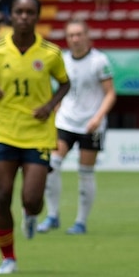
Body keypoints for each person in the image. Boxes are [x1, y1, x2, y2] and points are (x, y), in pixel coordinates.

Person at [0, 0, 70, 275]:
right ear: (11, 15)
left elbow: (65, 83)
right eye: (19, 12)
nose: (24, 17)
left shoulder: (51, 53)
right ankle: (8, 258)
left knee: (32, 200)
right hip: (5, 130)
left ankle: (31, 215)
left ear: (37, 16)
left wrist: (50, 105)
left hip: (38, 132)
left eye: (29, 12)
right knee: (2, 195)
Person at [37, 20, 116, 235]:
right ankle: (52, 215)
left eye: (79, 34)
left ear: (88, 36)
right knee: (51, 165)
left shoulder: (99, 61)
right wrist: (54, 112)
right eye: (71, 35)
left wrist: (98, 117)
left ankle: (81, 221)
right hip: (66, 121)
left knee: (85, 172)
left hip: (91, 124)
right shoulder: (62, 60)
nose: (75, 39)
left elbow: (110, 93)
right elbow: (61, 91)